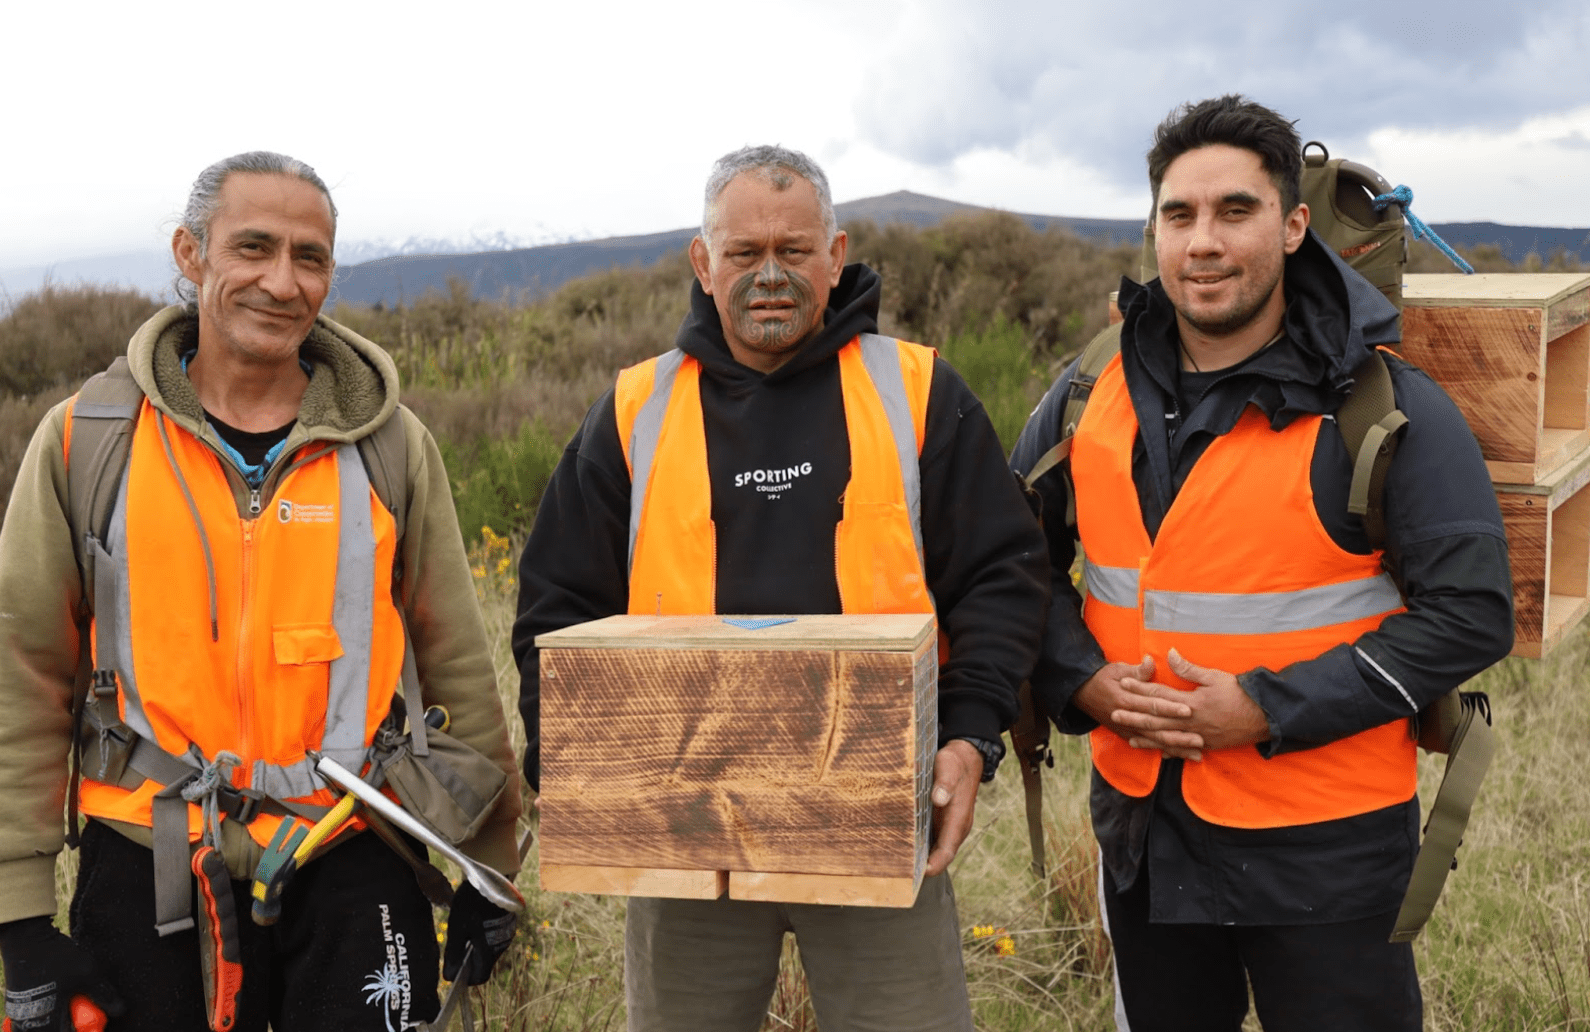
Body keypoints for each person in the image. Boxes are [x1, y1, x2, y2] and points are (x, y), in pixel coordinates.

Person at [513, 144, 1048, 1032]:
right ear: (702, 261)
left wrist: (970, 738)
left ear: (836, 257)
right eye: (745, 252)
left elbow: (1001, 576)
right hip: (682, 835)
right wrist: (566, 768)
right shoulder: (634, 410)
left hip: (881, 824)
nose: (770, 275)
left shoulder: (916, 392)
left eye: (794, 252)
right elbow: (554, 606)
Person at [1010, 96, 1513, 1031]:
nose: (1204, 241)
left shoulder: (1386, 407)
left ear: (1291, 227)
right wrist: (1080, 682)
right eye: (1179, 214)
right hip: (1144, 833)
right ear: (1154, 229)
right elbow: (1010, 561)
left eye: (1235, 211)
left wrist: (1263, 709)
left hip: (1328, 852)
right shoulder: (1091, 390)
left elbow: (1473, 615)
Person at [0, 152, 523, 1032]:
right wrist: (18, 914)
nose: (283, 281)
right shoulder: (86, 440)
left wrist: (488, 868)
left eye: (310, 257)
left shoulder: (390, 448)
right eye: (253, 247)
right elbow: (22, 672)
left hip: (357, 854)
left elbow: (459, 668)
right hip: (147, 863)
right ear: (190, 252)